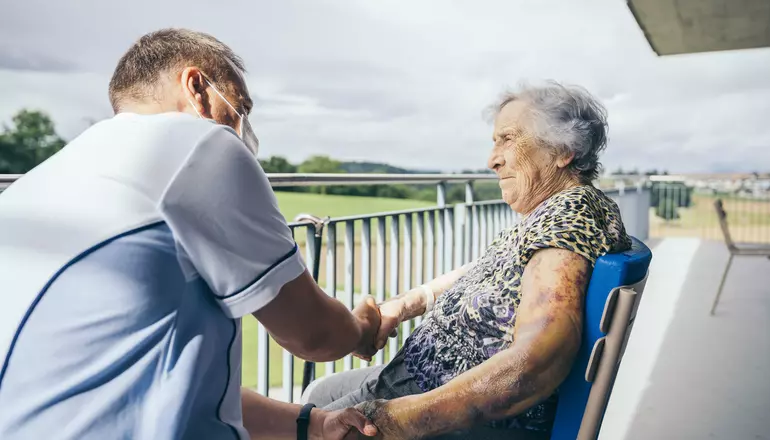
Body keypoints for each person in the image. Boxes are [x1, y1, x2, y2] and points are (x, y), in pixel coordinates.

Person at [0, 28, 394, 440]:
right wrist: (362, 328)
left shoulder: (40, 182)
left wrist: (312, 423)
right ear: (197, 88)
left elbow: (153, 389)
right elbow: (315, 335)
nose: (244, 129)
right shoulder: (201, 145)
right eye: (241, 107)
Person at [303, 82, 632, 439]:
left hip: (447, 409)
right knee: (319, 394)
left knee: (299, 426)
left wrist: (408, 419)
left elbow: (540, 358)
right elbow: (487, 271)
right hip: (420, 377)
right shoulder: (555, 214)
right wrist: (406, 304)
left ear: (562, 150)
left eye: (508, 139)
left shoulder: (569, 214)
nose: (492, 159)